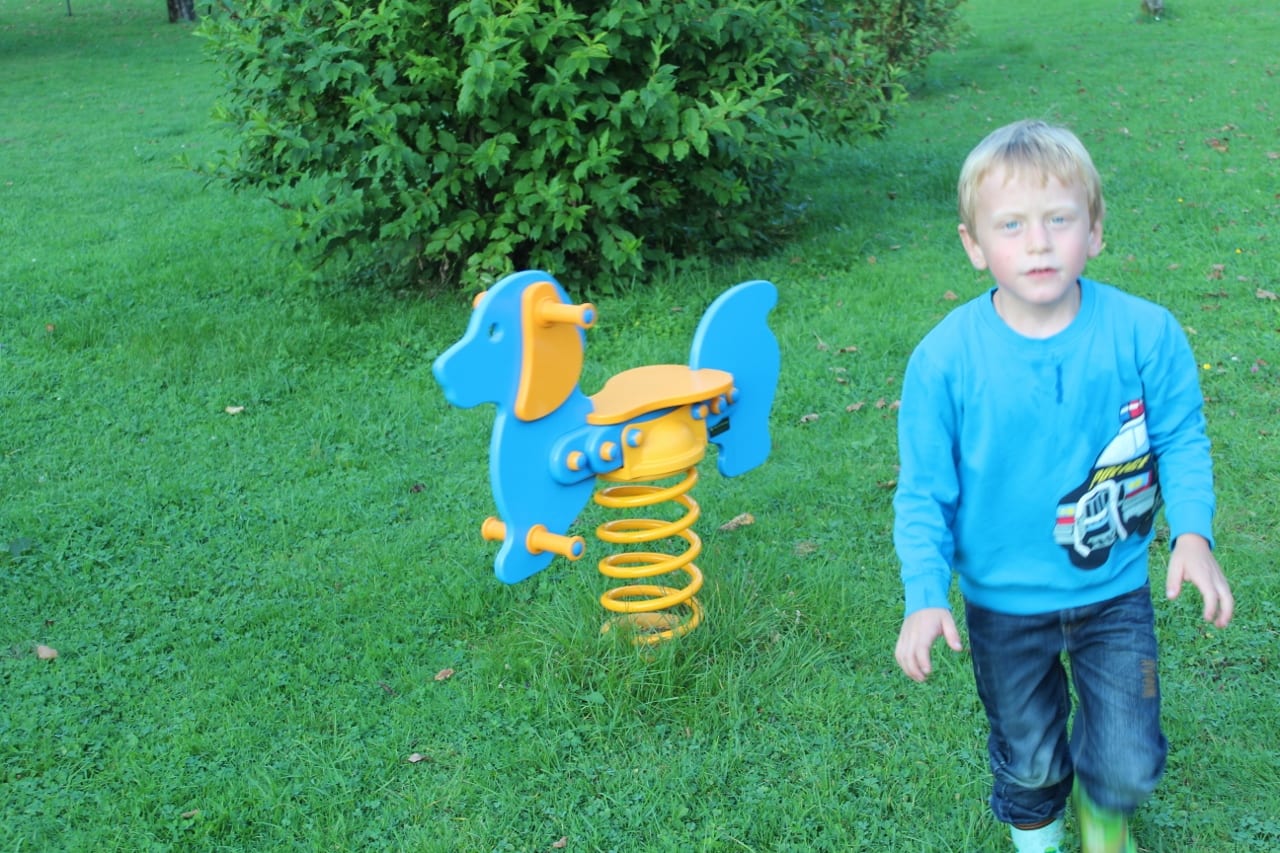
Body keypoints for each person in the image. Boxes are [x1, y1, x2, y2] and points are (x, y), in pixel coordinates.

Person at [891, 119, 1235, 853]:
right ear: (974, 245)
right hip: (1002, 604)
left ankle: (1105, 814)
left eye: (1059, 219)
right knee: (1029, 753)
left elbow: (1180, 438)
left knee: (1129, 757)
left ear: (1095, 230)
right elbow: (923, 493)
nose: (1038, 243)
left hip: (1114, 591)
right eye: (1011, 225)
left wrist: (1193, 534)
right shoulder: (944, 361)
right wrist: (924, 594)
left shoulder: (1146, 333)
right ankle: (1039, 836)